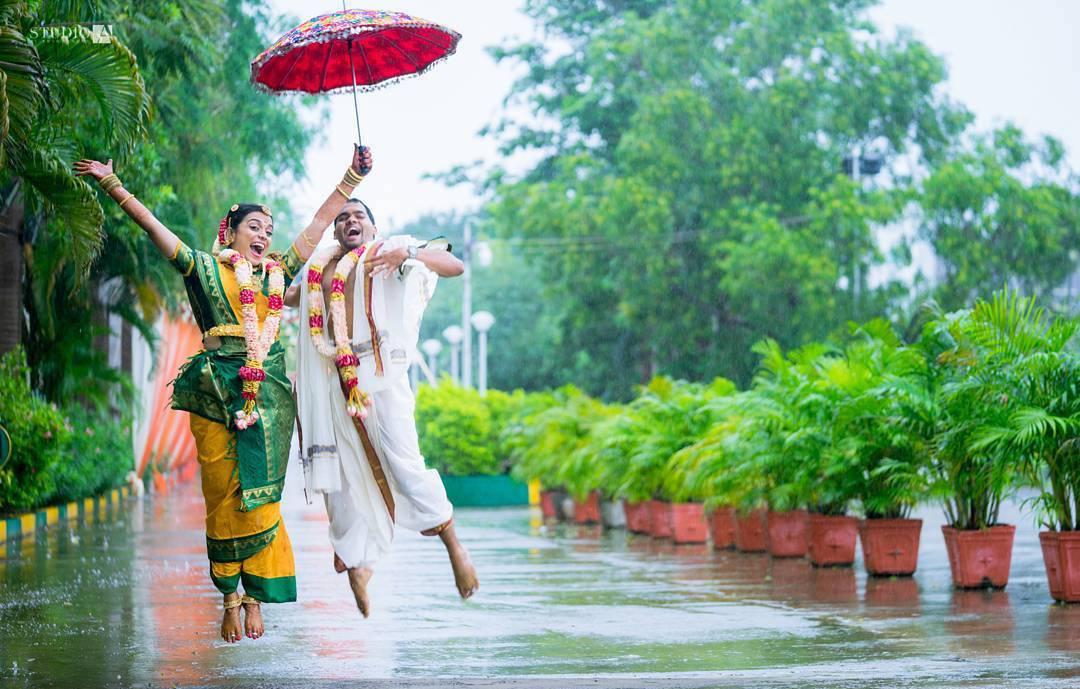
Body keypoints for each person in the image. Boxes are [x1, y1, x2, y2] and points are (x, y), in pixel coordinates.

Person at [73, 145, 372, 643]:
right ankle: (229, 597)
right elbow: (156, 231)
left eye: (269, 231)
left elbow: (320, 224)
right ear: (230, 231)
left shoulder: (278, 272)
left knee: (261, 498)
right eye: (255, 227)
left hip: (269, 392)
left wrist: (351, 177)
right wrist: (113, 185)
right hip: (214, 386)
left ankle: (253, 598)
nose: (264, 236)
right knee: (221, 495)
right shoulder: (203, 269)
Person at [286, 197, 479, 617]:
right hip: (335, 383)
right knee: (341, 483)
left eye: (358, 216)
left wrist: (406, 253)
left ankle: (453, 545)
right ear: (336, 232)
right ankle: (359, 565)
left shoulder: (392, 253)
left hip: (382, 380)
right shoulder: (322, 269)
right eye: (342, 219)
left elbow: (455, 267)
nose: (350, 221)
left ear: (373, 227)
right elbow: (287, 298)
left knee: (405, 464)